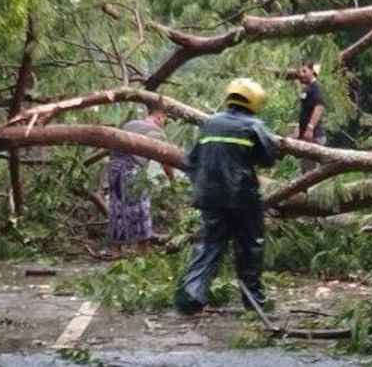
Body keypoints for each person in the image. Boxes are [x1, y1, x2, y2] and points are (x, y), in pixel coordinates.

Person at [174, 77, 280, 315]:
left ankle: (190, 297)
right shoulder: (254, 125)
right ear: (254, 101)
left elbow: (191, 161)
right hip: (242, 197)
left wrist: (202, 185)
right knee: (250, 247)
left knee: (209, 245)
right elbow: (269, 157)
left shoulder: (209, 124)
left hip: (210, 197)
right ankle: (254, 303)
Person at [108, 106, 170, 257]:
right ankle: (143, 248)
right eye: (164, 122)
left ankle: (116, 250)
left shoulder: (130, 124)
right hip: (131, 169)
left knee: (117, 207)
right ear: (159, 118)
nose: (163, 125)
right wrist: (172, 180)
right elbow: (166, 159)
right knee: (141, 208)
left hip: (114, 166)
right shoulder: (156, 131)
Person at [296, 59, 326, 174]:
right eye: (301, 72)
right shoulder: (307, 89)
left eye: (304, 71)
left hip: (314, 136)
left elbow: (319, 107)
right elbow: (304, 113)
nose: (302, 74)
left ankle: (312, 192)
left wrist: (310, 128)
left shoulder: (316, 87)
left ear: (312, 71)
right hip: (305, 137)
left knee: (310, 173)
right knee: (305, 169)